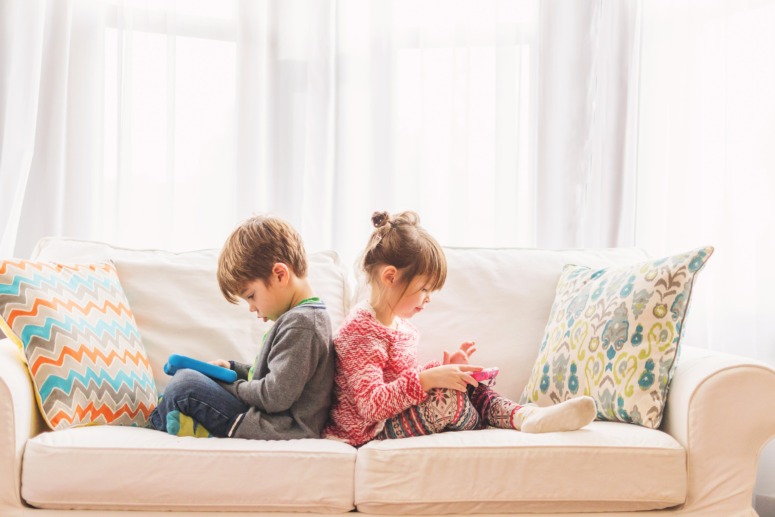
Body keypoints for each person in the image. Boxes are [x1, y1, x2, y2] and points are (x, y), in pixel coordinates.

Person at [323, 210, 596, 447]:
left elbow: (402, 383)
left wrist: (441, 370)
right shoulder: (360, 332)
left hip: (392, 416)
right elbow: (371, 405)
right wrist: (430, 380)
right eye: (424, 289)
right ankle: (494, 417)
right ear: (390, 277)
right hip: (370, 432)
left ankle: (526, 417)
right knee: (448, 398)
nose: (428, 298)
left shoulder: (400, 326)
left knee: (469, 383)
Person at [148, 214, 335, 439]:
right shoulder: (301, 319)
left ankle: (154, 424)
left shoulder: (302, 326)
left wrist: (227, 385)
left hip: (277, 427)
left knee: (185, 385)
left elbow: (274, 396)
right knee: (187, 380)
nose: (252, 307)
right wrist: (232, 368)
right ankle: (179, 418)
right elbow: (275, 379)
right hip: (266, 418)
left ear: (279, 274)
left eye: (251, 296)